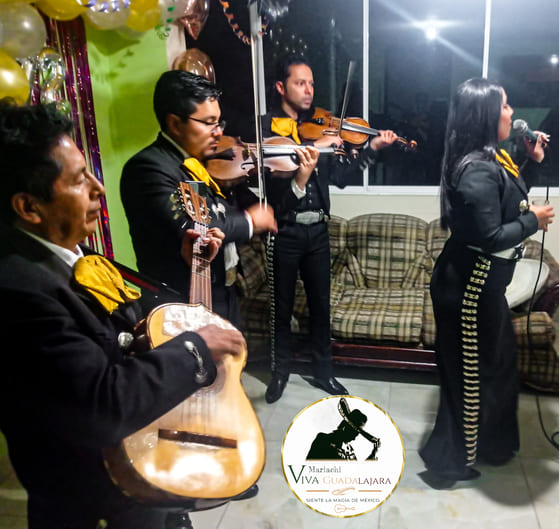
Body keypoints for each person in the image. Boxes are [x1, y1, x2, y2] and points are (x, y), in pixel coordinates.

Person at [0, 100, 247, 529]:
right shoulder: (17, 288)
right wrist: (197, 347)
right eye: (79, 181)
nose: (99, 189)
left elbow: (126, 320)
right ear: (28, 207)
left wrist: (193, 264)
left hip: (133, 467)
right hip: (93, 493)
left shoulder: (66, 250)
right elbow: (103, 404)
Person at [418, 78, 555, 487]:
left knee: (499, 366)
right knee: (470, 375)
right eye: (506, 106)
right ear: (485, 115)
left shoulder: (492, 158)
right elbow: (491, 235)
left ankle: (492, 446)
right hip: (467, 289)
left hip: (482, 286)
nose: (513, 114)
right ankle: (449, 464)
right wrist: (535, 221)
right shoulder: (476, 169)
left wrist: (529, 161)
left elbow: (505, 200)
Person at [262, 55, 398, 403]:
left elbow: (340, 178)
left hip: (318, 231)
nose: (309, 90)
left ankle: (324, 373)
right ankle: (280, 373)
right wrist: (313, 149)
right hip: (284, 232)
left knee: (321, 306)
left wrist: (371, 149)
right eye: (300, 83)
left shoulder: (323, 129)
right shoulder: (267, 128)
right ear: (281, 87)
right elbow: (274, 173)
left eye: (311, 84)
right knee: (281, 307)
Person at [121, 70, 277, 328]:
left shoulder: (203, 165)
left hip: (224, 294)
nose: (218, 132)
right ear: (174, 123)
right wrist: (250, 222)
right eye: (209, 122)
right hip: (182, 306)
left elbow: (222, 209)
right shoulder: (148, 168)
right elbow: (198, 228)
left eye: (219, 123)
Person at [306, 398, 379, 460]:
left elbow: (356, 473)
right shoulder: (323, 440)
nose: (354, 438)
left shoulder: (350, 451)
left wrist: (373, 454)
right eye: (354, 433)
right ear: (344, 427)